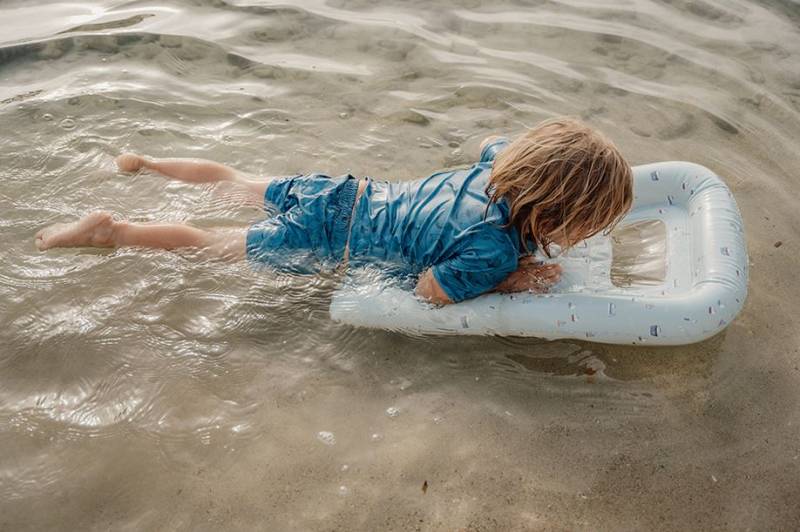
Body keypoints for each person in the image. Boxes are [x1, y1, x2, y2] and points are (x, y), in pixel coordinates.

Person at [35, 117, 633, 304]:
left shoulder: (496, 166)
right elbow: (429, 291)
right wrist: (508, 281)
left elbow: (490, 144)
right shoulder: (492, 249)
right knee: (208, 244)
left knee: (234, 181)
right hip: (327, 240)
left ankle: (145, 163)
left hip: (344, 192)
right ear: (558, 216)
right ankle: (116, 232)